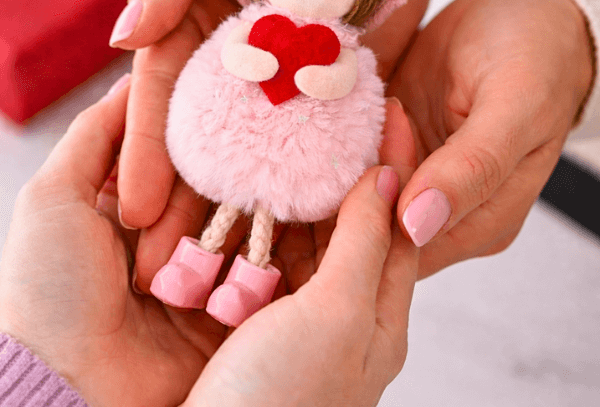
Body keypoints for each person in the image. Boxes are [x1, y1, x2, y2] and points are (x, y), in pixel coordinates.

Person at [109, 0, 597, 290]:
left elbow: (341, 78)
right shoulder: (252, 25)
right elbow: (232, 53)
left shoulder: (341, 49)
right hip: (239, 134)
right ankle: (196, 263)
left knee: (268, 212)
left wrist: (577, 26)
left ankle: (251, 277)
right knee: (231, 201)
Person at [0, 76, 421, 406]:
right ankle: (189, 271)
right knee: (223, 218)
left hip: (284, 168)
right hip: (240, 155)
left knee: (261, 226)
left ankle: (244, 290)